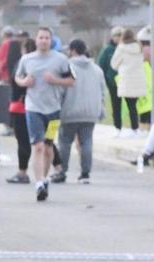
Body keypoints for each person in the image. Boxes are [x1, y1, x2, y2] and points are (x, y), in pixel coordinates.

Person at [14, 27, 74, 202]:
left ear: (51, 40)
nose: (44, 41)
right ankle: (39, 182)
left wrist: (56, 81)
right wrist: (25, 82)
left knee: (48, 147)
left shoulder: (61, 59)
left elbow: (72, 80)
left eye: (47, 38)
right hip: (33, 109)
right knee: (38, 146)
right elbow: (17, 78)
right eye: (41, 37)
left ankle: (45, 178)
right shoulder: (26, 59)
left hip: (54, 110)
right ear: (36, 39)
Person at [57, 39, 104, 183]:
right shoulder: (97, 69)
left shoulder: (67, 67)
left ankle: (61, 171)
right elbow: (103, 92)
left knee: (65, 142)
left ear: (73, 50)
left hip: (70, 111)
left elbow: (61, 90)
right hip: (90, 112)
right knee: (87, 142)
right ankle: (85, 173)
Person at [6, 37, 34, 183]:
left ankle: (22, 171)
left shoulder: (22, 63)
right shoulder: (43, 63)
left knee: (23, 141)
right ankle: (58, 167)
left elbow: (16, 85)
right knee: (46, 141)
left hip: (21, 108)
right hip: (48, 109)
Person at [110, 27, 145, 137]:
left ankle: (118, 128)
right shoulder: (139, 48)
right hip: (138, 79)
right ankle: (135, 128)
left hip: (126, 80)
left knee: (118, 105)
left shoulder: (121, 48)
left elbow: (114, 64)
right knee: (132, 105)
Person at [97, 27, 123, 134]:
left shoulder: (126, 48)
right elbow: (101, 66)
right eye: (117, 35)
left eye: (121, 35)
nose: (119, 38)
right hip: (113, 82)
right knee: (116, 105)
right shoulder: (107, 50)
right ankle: (118, 127)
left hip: (127, 81)